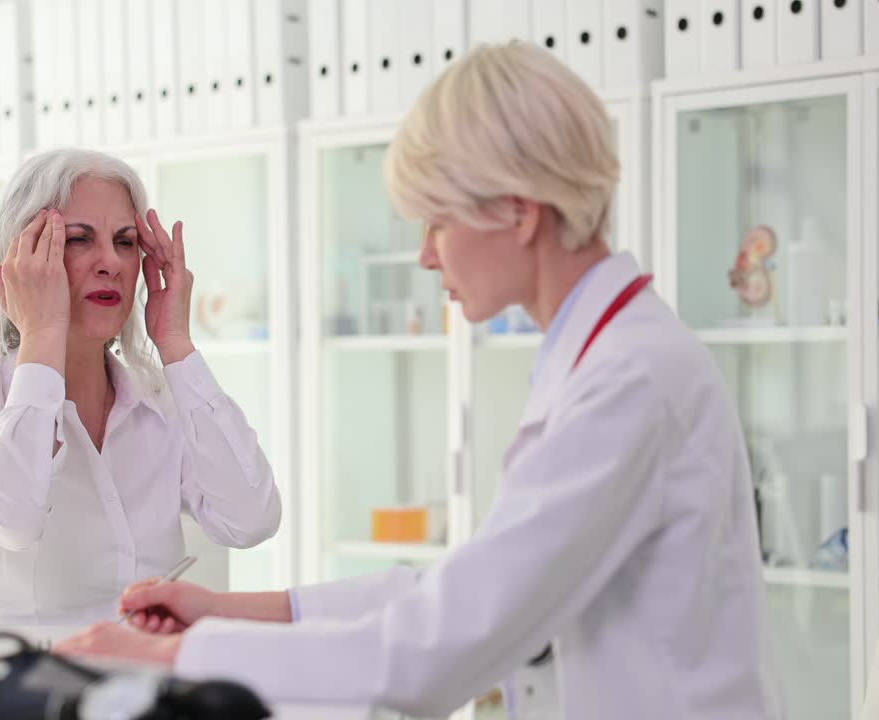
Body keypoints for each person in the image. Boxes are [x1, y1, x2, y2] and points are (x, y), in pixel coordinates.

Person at [58, 43, 784, 719]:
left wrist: (172, 657)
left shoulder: (629, 380)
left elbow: (431, 650)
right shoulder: (606, 358)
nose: (427, 256)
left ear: (516, 211)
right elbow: (460, 590)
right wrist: (226, 610)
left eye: (437, 221)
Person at [0, 149, 281, 626]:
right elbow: (14, 519)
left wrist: (175, 342)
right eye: (78, 239)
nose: (111, 262)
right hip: (29, 672)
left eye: (125, 242)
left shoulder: (162, 405)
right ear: (16, 269)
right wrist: (42, 333)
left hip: (150, 669)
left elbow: (253, 520)